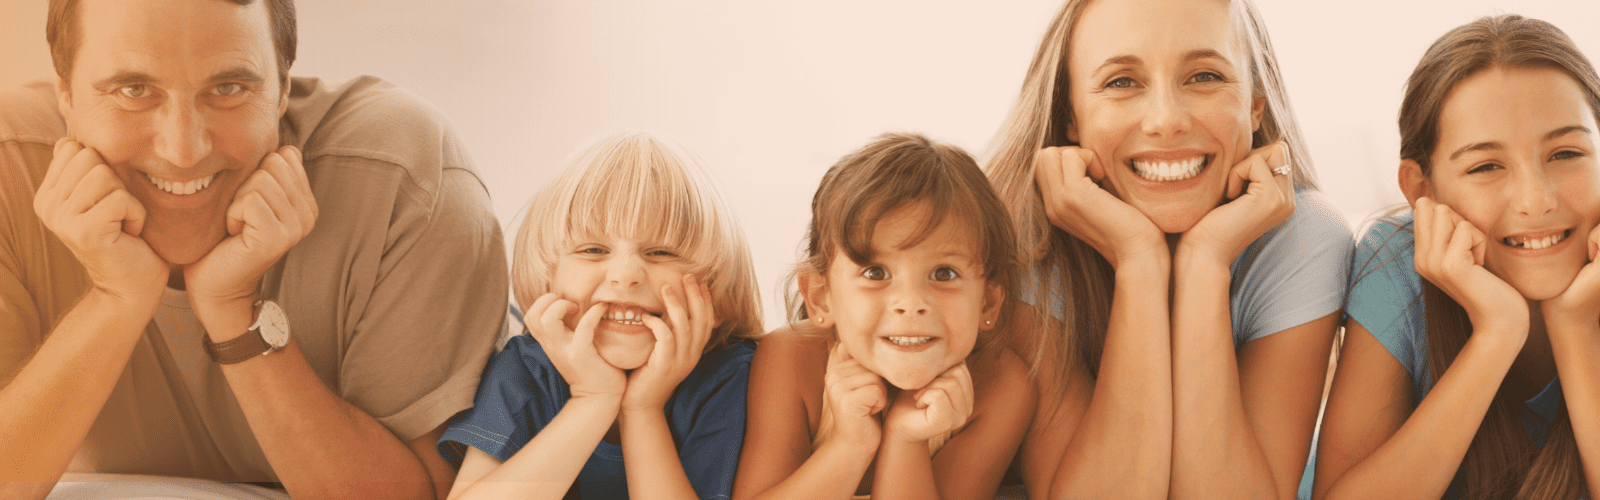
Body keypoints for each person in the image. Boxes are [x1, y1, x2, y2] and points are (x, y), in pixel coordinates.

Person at [0, 0, 507, 498]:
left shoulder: (407, 178)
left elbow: (428, 495)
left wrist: (233, 312)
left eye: (228, 88)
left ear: (283, 87)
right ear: (65, 92)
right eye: (133, 90)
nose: (184, 150)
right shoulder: (9, 170)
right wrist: (116, 297)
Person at [981, 0, 1354, 497]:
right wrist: (1139, 261)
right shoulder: (1017, 245)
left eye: (1204, 76)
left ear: (1255, 105)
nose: (1166, 120)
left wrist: (1205, 262)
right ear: (1070, 115)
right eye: (1122, 82)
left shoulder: (1303, 237)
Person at [1313, 15, 1600, 500]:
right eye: (1486, 166)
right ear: (1421, 191)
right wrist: (1497, 333)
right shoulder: (1396, 266)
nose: (1536, 201)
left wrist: (1576, 328)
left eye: (1566, 153)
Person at [437, 131, 763, 500]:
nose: (625, 275)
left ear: (717, 293)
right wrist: (594, 398)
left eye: (661, 253)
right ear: (548, 279)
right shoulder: (528, 370)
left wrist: (643, 409)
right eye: (593, 250)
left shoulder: (731, 378)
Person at [734, 133, 1035, 500]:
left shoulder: (1000, 388)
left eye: (944, 274)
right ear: (820, 297)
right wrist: (850, 444)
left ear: (988, 303)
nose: (911, 303)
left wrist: (906, 438)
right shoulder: (793, 358)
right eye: (875, 273)